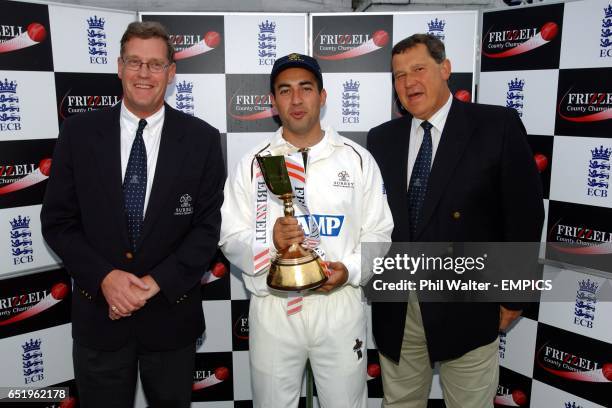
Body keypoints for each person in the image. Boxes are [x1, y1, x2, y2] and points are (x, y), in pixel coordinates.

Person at [41, 21, 224, 407]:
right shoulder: (78, 133)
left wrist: (156, 282)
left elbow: (207, 229)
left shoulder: (203, 139)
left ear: (171, 72)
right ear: (119, 67)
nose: (144, 74)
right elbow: (58, 222)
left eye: (155, 64)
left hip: (171, 320)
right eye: (135, 62)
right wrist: (105, 278)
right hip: (99, 319)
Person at [367, 34, 544, 408]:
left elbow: (524, 214)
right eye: (399, 75)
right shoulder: (381, 139)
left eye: (419, 69)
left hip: (469, 306)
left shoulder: (496, 125)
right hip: (398, 308)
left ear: (445, 69)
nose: (409, 82)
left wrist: (514, 295)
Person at [220, 53, 393, 408]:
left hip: (338, 306)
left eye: (306, 88)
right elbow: (228, 235)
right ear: (272, 101)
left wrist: (350, 271)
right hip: (274, 307)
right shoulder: (254, 162)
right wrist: (268, 242)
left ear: (323, 96)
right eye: (285, 91)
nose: (296, 100)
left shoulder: (356, 159)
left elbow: (379, 233)